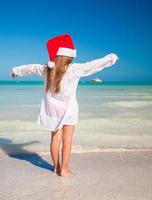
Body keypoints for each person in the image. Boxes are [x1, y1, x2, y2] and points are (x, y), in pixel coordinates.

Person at [10, 34, 119, 177]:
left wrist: (16, 71)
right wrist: (110, 58)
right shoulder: (75, 69)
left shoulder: (46, 69)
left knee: (55, 139)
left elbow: (30, 68)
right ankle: (65, 169)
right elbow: (93, 65)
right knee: (67, 141)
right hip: (69, 110)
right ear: (69, 55)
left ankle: (56, 167)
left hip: (53, 111)